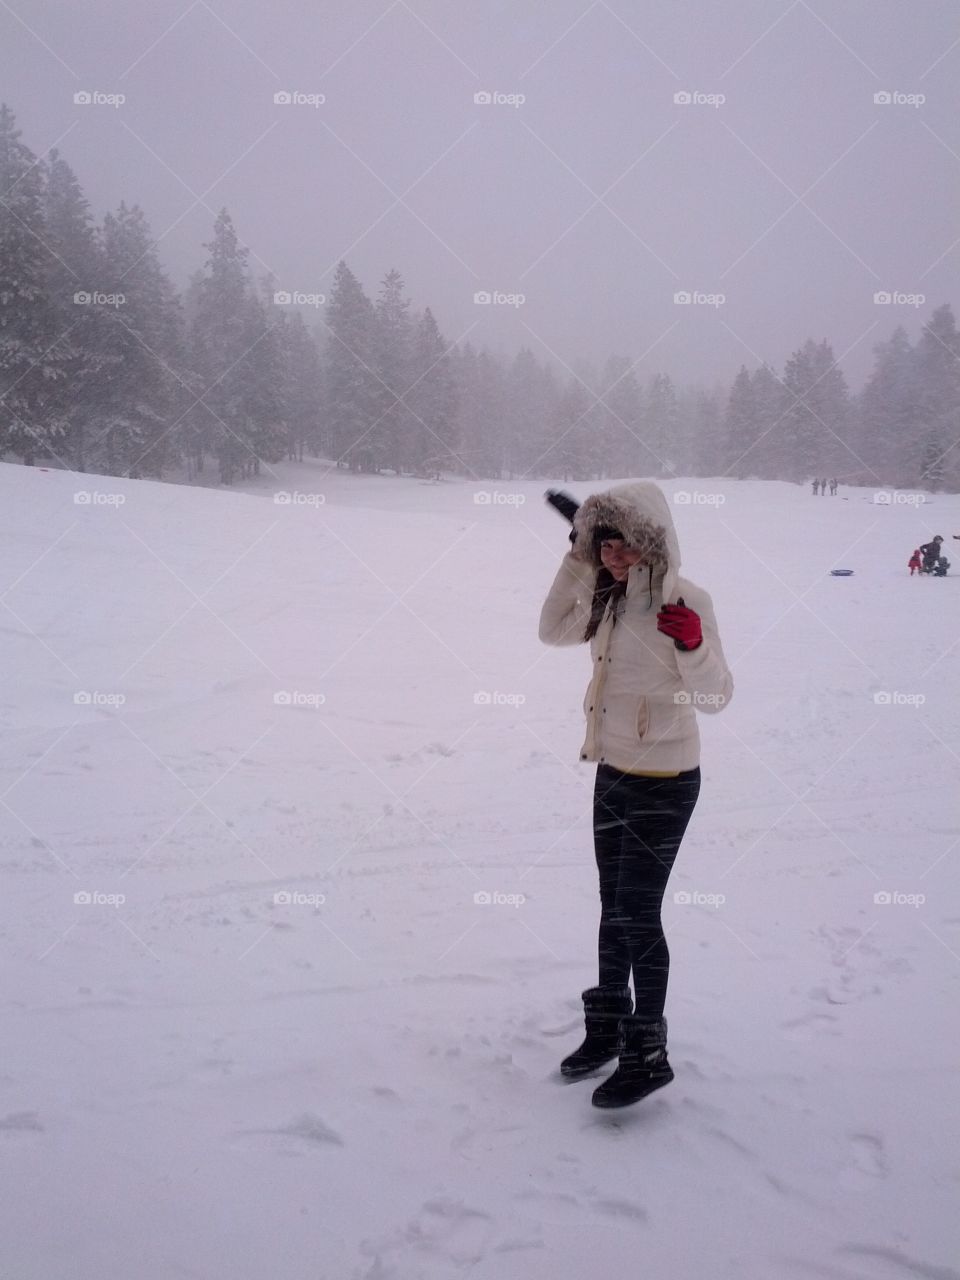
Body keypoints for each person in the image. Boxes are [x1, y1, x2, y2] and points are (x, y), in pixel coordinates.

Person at [538, 480, 734, 1109]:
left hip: (668, 777)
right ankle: (607, 1031)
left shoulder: (685, 598)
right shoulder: (609, 595)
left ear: (651, 541)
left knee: (637, 912)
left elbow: (716, 696)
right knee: (610, 905)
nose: (615, 557)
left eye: (624, 545)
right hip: (613, 770)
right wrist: (577, 556)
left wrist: (694, 645)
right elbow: (551, 631)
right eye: (605, 546)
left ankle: (648, 1054)